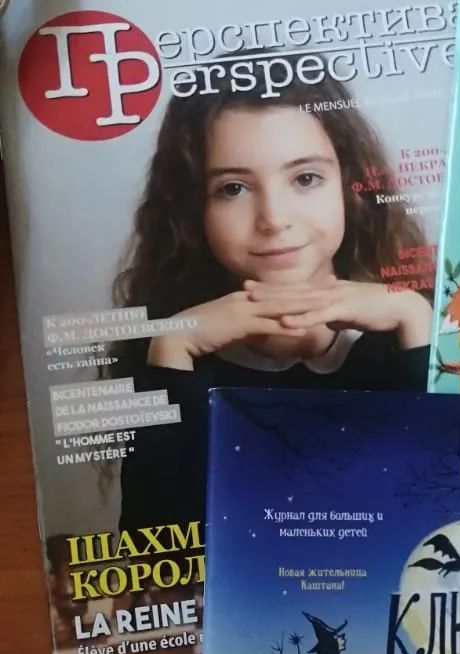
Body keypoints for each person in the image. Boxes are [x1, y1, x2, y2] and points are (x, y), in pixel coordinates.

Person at [110, 64, 432, 533]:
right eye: (233, 188)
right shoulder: (168, 349)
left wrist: (417, 322)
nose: (274, 219)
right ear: (192, 209)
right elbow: (154, 551)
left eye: (305, 178)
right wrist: (171, 352)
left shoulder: (418, 320)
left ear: (350, 185)